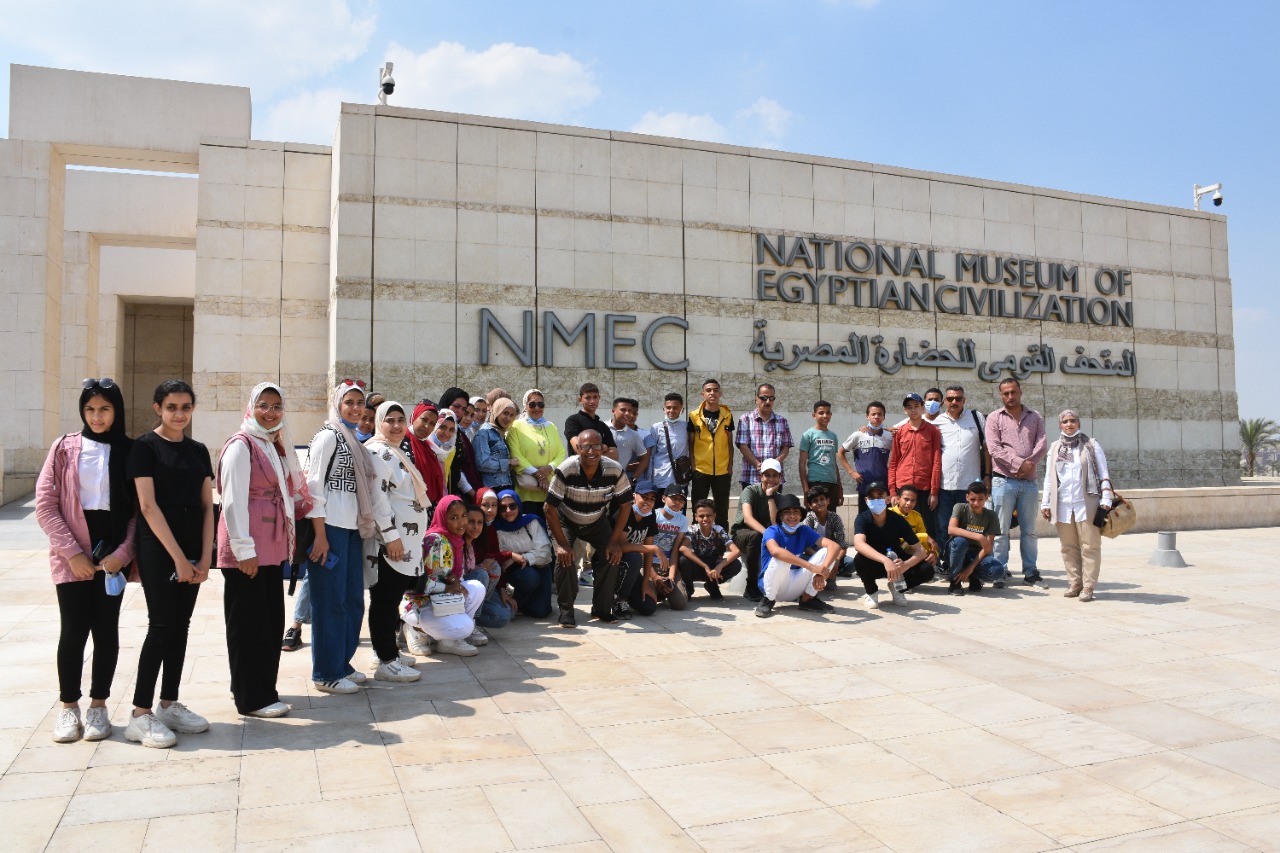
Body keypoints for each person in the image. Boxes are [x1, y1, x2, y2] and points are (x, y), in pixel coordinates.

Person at [36, 377, 136, 744]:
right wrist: (73, 554)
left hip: (112, 555)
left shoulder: (130, 450)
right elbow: (46, 505)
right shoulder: (64, 447)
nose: (97, 416)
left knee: (106, 630)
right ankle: (68, 707)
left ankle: (98, 706)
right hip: (72, 552)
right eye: (90, 409)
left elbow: (138, 511)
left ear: (116, 411)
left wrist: (122, 554)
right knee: (74, 630)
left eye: (104, 409)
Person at [126, 379, 214, 748]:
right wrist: (179, 558)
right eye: (171, 407)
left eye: (185, 407)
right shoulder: (144, 448)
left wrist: (206, 557)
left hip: (193, 550)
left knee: (181, 626)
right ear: (158, 409)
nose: (179, 414)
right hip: (159, 549)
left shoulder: (198, 451)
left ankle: (168, 704)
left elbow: (208, 506)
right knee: (161, 626)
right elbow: (148, 507)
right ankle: (139, 714)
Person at [216, 382, 313, 718]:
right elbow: (232, 501)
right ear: (251, 407)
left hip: (270, 548)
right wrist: (244, 550)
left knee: (269, 622)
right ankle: (251, 698)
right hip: (249, 550)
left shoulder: (272, 443)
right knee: (248, 625)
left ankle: (260, 689)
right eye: (263, 405)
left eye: (276, 406)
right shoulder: (241, 445)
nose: (270, 412)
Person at [304, 380, 380, 696]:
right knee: (329, 602)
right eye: (349, 402)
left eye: (360, 403)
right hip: (330, 529)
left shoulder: (353, 439)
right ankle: (326, 672)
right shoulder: (328, 437)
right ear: (337, 404)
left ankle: (341, 664)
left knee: (351, 601)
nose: (355, 408)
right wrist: (320, 535)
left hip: (351, 529)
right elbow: (313, 487)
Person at [362, 400, 428, 682]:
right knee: (384, 601)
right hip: (391, 543)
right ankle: (386, 660)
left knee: (391, 601)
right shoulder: (378, 451)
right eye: (390, 420)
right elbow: (377, 499)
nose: (397, 425)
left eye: (401, 420)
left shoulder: (394, 451)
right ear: (379, 422)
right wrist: (391, 537)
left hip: (405, 543)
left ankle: (388, 651)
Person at [543, 429, 632, 627]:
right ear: (578, 448)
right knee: (565, 558)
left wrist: (614, 541)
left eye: (596, 446)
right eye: (586, 447)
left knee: (612, 556)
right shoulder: (566, 469)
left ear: (602, 448)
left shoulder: (614, 469)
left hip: (596, 521)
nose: (592, 451)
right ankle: (566, 611)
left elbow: (626, 505)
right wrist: (562, 544)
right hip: (567, 520)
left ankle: (601, 609)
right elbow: (549, 508)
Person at [1040, 410, 1113, 602]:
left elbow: (1103, 473)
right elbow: (1049, 477)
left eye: (1073, 420)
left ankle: (1088, 586)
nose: (1069, 424)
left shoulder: (1091, 445)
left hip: (1087, 502)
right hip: (1063, 504)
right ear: (1060, 425)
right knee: (1068, 546)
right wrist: (1046, 502)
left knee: (1090, 545)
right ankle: (1075, 583)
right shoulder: (1055, 448)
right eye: (1065, 421)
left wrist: (1106, 498)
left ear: (1078, 423)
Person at [401, 496, 487, 656]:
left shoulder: (455, 540)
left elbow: (447, 573)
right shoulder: (435, 541)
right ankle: (416, 630)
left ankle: (448, 641)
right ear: (442, 518)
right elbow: (421, 583)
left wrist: (454, 582)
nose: (461, 522)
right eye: (454, 518)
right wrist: (447, 587)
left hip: (439, 598)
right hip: (419, 603)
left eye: (463, 516)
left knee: (477, 588)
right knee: (466, 627)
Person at [986, 377, 1048, 588]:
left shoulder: (1035, 417)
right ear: (1001, 395)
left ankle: (1031, 572)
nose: (1010, 396)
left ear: (1020, 392)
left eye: (1013, 392)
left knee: (1029, 531)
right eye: (1006, 393)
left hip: (1029, 483)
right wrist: (1020, 464)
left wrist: (1028, 465)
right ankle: (1000, 571)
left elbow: (1042, 445)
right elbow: (994, 448)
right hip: (1003, 482)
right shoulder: (994, 418)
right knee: (1001, 531)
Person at [754, 494, 840, 618]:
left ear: (801, 516)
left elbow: (834, 546)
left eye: (796, 512)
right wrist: (812, 567)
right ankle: (768, 600)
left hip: (795, 585)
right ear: (780, 515)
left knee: (826, 552)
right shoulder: (772, 530)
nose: (792, 516)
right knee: (781, 559)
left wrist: (821, 572)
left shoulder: (803, 530)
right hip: (773, 586)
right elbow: (775, 551)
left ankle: (807, 599)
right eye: (787, 512)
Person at [851, 482, 932, 610]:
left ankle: (898, 588)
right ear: (866, 500)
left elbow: (920, 550)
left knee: (927, 569)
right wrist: (885, 560)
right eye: (872, 497)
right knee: (859, 560)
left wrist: (906, 565)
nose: (876, 500)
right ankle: (871, 592)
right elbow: (859, 544)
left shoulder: (898, 520)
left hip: (896, 564)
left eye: (880, 496)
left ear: (888, 499)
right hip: (874, 563)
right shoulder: (862, 518)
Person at [933, 385, 989, 573]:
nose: (954, 402)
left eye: (958, 398)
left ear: (964, 400)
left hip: (969, 487)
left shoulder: (976, 418)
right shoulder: (938, 422)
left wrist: (987, 476)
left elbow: (986, 448)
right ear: (944, 402)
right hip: (944, 485)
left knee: (969, 528)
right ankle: (947, 564)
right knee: (944, 527)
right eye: (950, 399)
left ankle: (966, 564)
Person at [617, 486, 683, 616]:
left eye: (652, 499)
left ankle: (630, 595)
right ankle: (619, 599)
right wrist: (653, 548)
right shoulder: (626, 512)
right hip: (616, 562)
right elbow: (620, 546)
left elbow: (648, 551)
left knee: (649, 607)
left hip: (632, 568)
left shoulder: (650, 515)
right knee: (635, 557)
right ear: (634, 496)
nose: (648, 502)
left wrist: (645, 584)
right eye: (644, 497)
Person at [887, 393, 942, 547]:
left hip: (923, 489)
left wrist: (934, 492)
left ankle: (928, 557)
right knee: (899, 527)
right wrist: (893, 492)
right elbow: (893, 462)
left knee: (926, 526)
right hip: (903, 486)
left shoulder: (932, 431)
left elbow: (936, 462)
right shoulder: (899, 432)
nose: (913, 410)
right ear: (905, 410)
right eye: (909, 407)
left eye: (916, 406)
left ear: (922, 407)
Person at [494, 489, 555, 619]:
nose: (508, 511)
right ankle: (516, 603)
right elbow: (500, 558)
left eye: (512, 506)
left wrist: (519, 557)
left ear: (519, 505)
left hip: (540, 567)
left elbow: (545, 553)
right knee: (529, 577)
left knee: (541, 611)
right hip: (517, 572)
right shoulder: (497, 528)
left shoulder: (531, 521)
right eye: (503, 508)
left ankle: (524, 601)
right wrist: (513, 556)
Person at [505, 388, 566, 519]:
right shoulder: (515, 426)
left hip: (548, 488)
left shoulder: (551, 426)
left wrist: (548, 468)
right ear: (525, 405)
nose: (537, 408)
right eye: (532, 404)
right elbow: (515, 454)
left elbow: (561, 452)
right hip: (527, 489)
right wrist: (538, 474)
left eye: (540, 404)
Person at [730, 457, 782, 602]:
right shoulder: (750, 491)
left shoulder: (778, 497)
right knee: (755, 536)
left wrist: (770, 496)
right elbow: (748, 519)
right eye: (767, 475)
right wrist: (768, 535)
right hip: (742, 534)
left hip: (764, 536)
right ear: (761, 476)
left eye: (775, 475)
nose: (771, 479)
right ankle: (751, 586)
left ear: (779, 477)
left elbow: (774, 522)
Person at [688, 379, 735, 529]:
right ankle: (696, 535)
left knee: (722, 508)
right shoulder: (694, 416)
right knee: (698, 507)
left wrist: (730, 466)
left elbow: (730, 443)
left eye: (715, 390)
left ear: (720, 393)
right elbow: (690, 443)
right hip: (701, 469)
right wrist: (693, 467)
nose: (712, 393)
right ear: (702, 394)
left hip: (722, 470)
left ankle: (722, 537)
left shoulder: (727, 415)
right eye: (708, 390)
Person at [947, 480, 1006, 596]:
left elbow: (988, 547)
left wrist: (970, 568)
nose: (976, 503)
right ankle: (955, 581)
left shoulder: (991, 515)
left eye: (980, 499)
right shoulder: (960, 508)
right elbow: (951, 529)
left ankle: (974, 576)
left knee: (997, 570)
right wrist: (979, 536)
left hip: (977, 555)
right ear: (967, 497)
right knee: (960, 541)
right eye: (972, 499)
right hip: (956, 552)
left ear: (986, 498)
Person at [678, 498, 742, 601]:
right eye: (701, 516)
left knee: (736, 565)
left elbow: (736, 551)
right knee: (683, 560)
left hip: (713, 565)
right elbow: (683, 548)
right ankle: (688, 587)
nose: (705, 519)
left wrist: (719, 567)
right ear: (695, 517)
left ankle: (712, 584)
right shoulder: (692, 529)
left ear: (714, 516)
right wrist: (705, 566)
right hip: (697, 565)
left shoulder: (718, 530)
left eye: (709, 515)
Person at [737, 383, 793, 490]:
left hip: (775, 480)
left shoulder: (782, 421)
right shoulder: (745, 419)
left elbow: (786, 447)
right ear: (756, 399)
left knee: (774, 502)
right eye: (764, 398)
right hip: (751, 478)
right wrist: (759, 465)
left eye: (771, 398)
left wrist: (774, 464)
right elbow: (743, 446)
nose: (768, 402)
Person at [838, 402, 891, 513]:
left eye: (880, 414)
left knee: (884, 517)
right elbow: (840, 453)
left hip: (884, 485)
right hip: (865, 485)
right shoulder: (858, 435)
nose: (876, 417)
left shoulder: (889, 436)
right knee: (865, 517)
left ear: (884, 417)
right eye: (873, 414)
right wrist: (852, 472)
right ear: (867, 416)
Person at [890, 485, 938, 586]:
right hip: (892, 552)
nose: (909, 503)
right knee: (909, 544)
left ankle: (906, 583)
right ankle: (898, 577)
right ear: (898, 499)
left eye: (913, 501)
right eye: (906, 499)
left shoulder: (916, 516)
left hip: (910, 554)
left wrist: (933, 552)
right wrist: (925, 537)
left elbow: (924, 541)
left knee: (928, 570)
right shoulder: (889, 514)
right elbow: (895, 539)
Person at [438, 387, 482, 499]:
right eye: (456, 406)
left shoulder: (457, 433)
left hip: (451, 490)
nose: (459, 412)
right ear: (447, 402)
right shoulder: (435, 429)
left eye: (463, 409)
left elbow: (456, 467)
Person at [803, 486, 853, 582]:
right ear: (810, 505)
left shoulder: (835, 518)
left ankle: (833, 573)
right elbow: (806, 547)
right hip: (814, 556)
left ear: (828, 501)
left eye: (822, 499)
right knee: (798, 561)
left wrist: (836, 561)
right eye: (815, 501)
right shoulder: (808, 519)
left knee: (851, 564)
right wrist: (821, 560)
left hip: (832, 556)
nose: (819, 503)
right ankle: (818, 574)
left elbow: (842, 545)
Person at [798, 400, 843, 506]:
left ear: (831, 415)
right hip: (815, 481)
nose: (825, 416)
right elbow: (801, 464)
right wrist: (806, 489)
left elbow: (834, 463)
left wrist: (840, 487)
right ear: (814, 415)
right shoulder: (808, 435)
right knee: (815, 514)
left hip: (832, 483)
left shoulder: (833, 436)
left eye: (828, 413)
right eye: (821, 413)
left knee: (831, 515)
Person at [473, 397, 520, 490]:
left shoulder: (502, 433)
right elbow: (482, 463)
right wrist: (508, 463)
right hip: (492, 488)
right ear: (497, 411)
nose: (508, 418)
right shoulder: (484, 432)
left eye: (511, 415)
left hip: (506, 486)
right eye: (505, 413)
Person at [563, 382, 619, 459]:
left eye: (595, 397)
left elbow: (614, 454)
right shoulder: (573, 421)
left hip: (601, 467)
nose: (592, 401)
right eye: (588, 398)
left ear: (599, 398)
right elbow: (578, 449)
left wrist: (591, 453)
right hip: (578, 466)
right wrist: (602, 447)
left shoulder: (602, 426)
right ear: (580, 400)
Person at [648, 392, 689, 493]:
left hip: (680, 477)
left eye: (675, 408)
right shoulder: (656, 428)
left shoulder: (687, 427)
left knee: (679, 502)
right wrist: (649, 478)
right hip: (661, 476)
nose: (671, 411)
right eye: (668, 407)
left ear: (681, 409)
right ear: (664, 409)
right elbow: (651, 455)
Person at [653, 485, 690, 597]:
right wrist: (654, 576)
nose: (677, 502)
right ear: (663, 498)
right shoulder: (654, 515)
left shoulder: (683, 520)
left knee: (680, 603)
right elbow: (645, 546)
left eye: (681, 500)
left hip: (668, 566)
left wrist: (671, 578)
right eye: (674, 498)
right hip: (649, 564)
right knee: (649, 602)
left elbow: (675, 549)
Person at [608, 398, 650, 485]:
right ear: (613, 411)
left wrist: (633, 479)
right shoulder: (601, 427)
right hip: (596, 482)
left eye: (629, 411)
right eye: (623, 410)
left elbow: (645, 458)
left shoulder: (634, 435)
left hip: (619, 483)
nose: (627, 414)